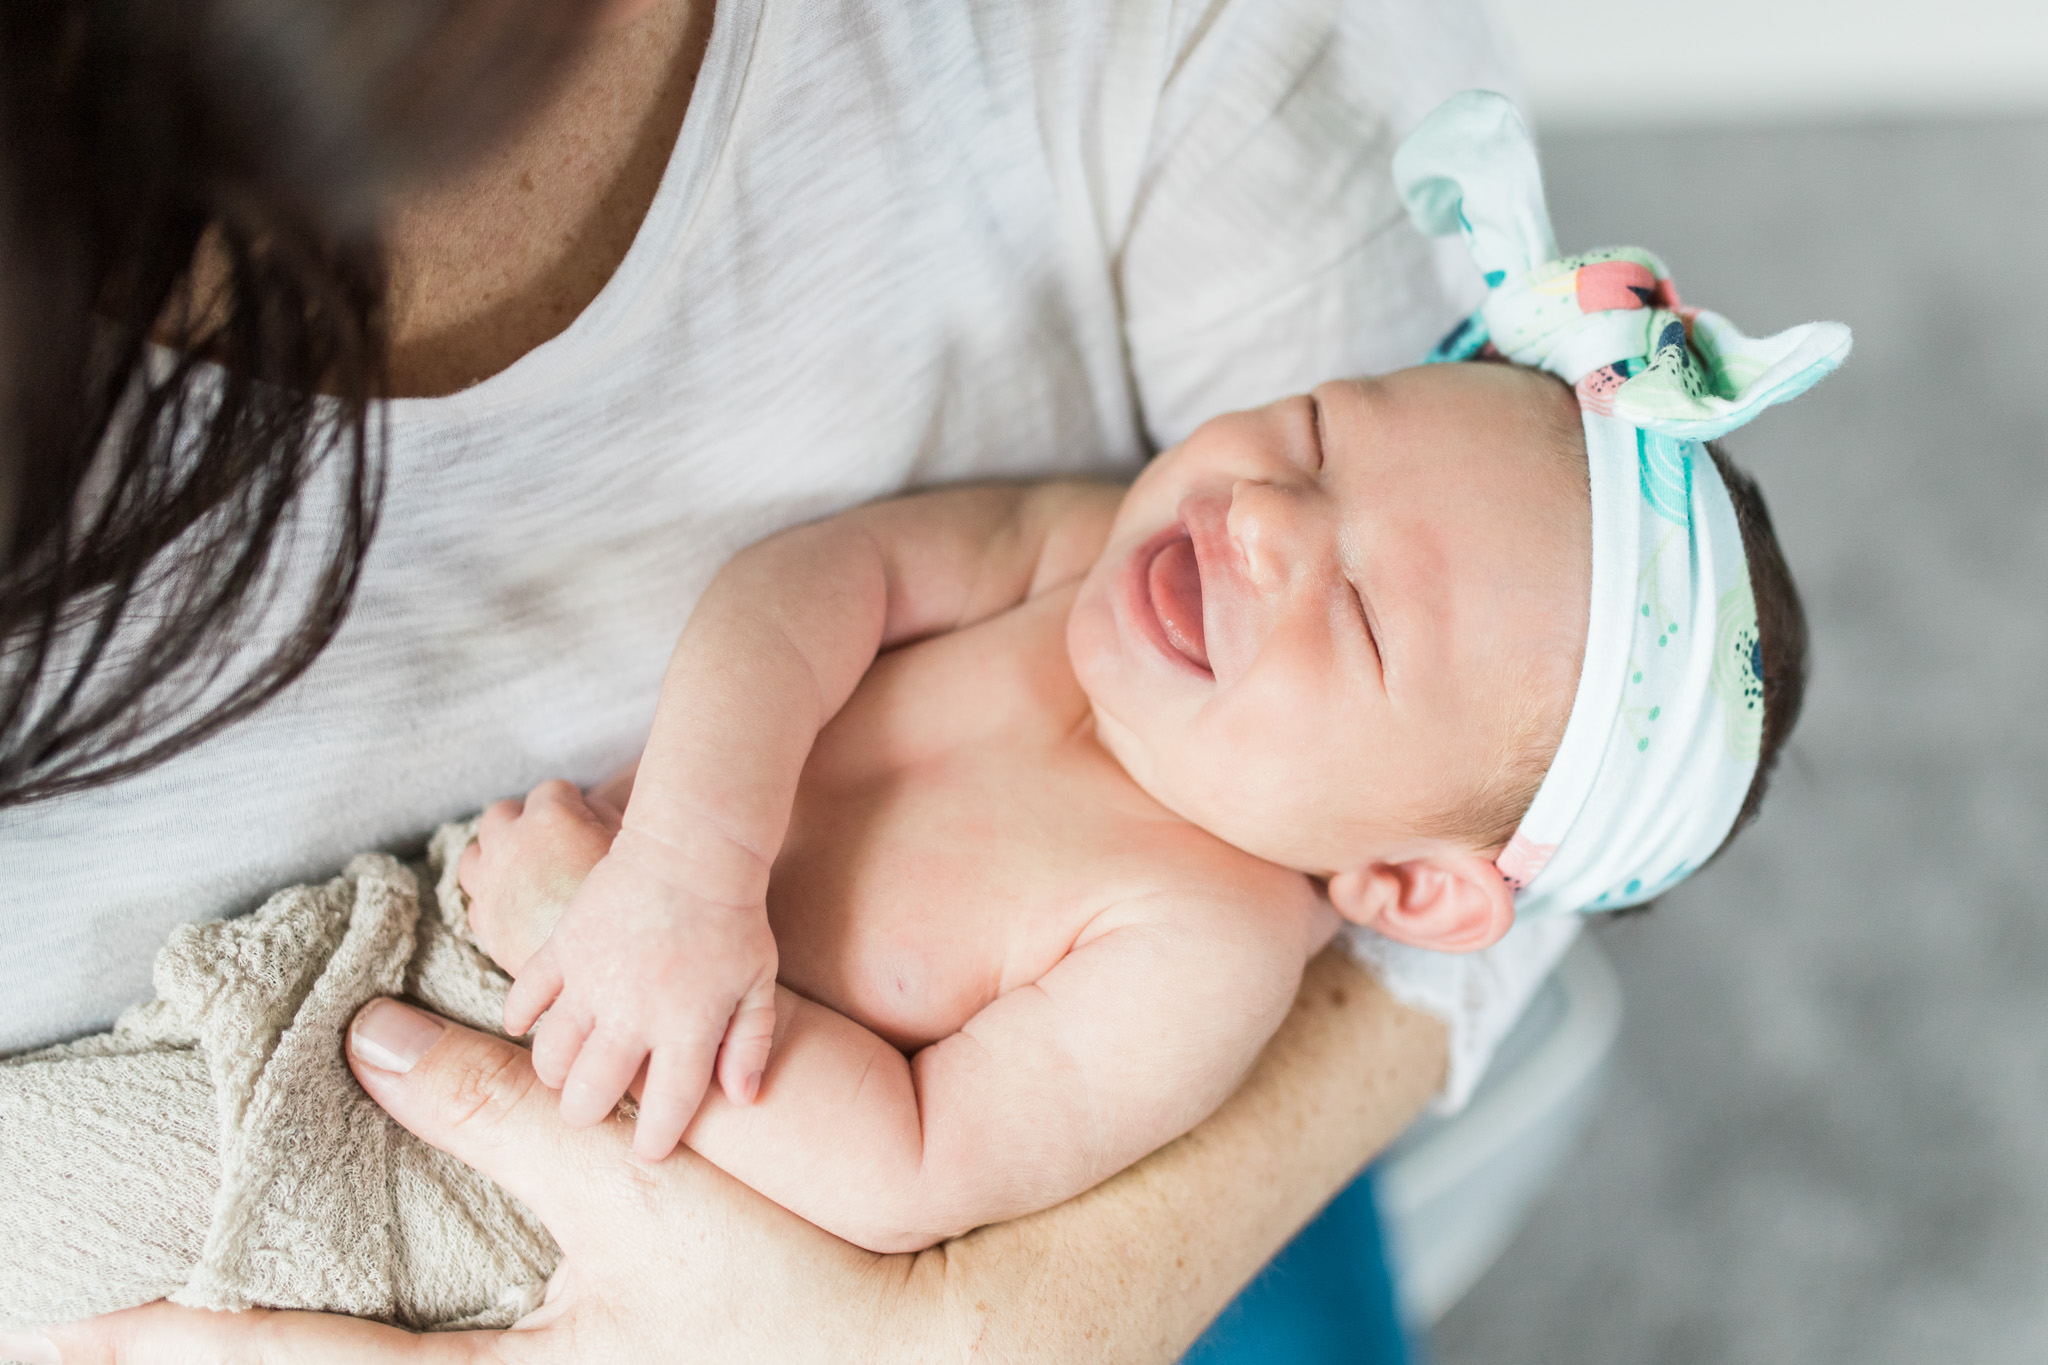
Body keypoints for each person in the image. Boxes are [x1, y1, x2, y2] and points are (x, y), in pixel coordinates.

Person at [0, 3, 1693, 1360]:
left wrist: (655, 975)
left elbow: (902, 1168)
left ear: (1400, 879)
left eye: (1371, 625)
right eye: (1315, 437)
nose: (1259, 522)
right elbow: (811, 587)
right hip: (580, 912)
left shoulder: (1219, 944)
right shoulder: (1091, 558)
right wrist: (682, 871)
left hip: (645, 1154)